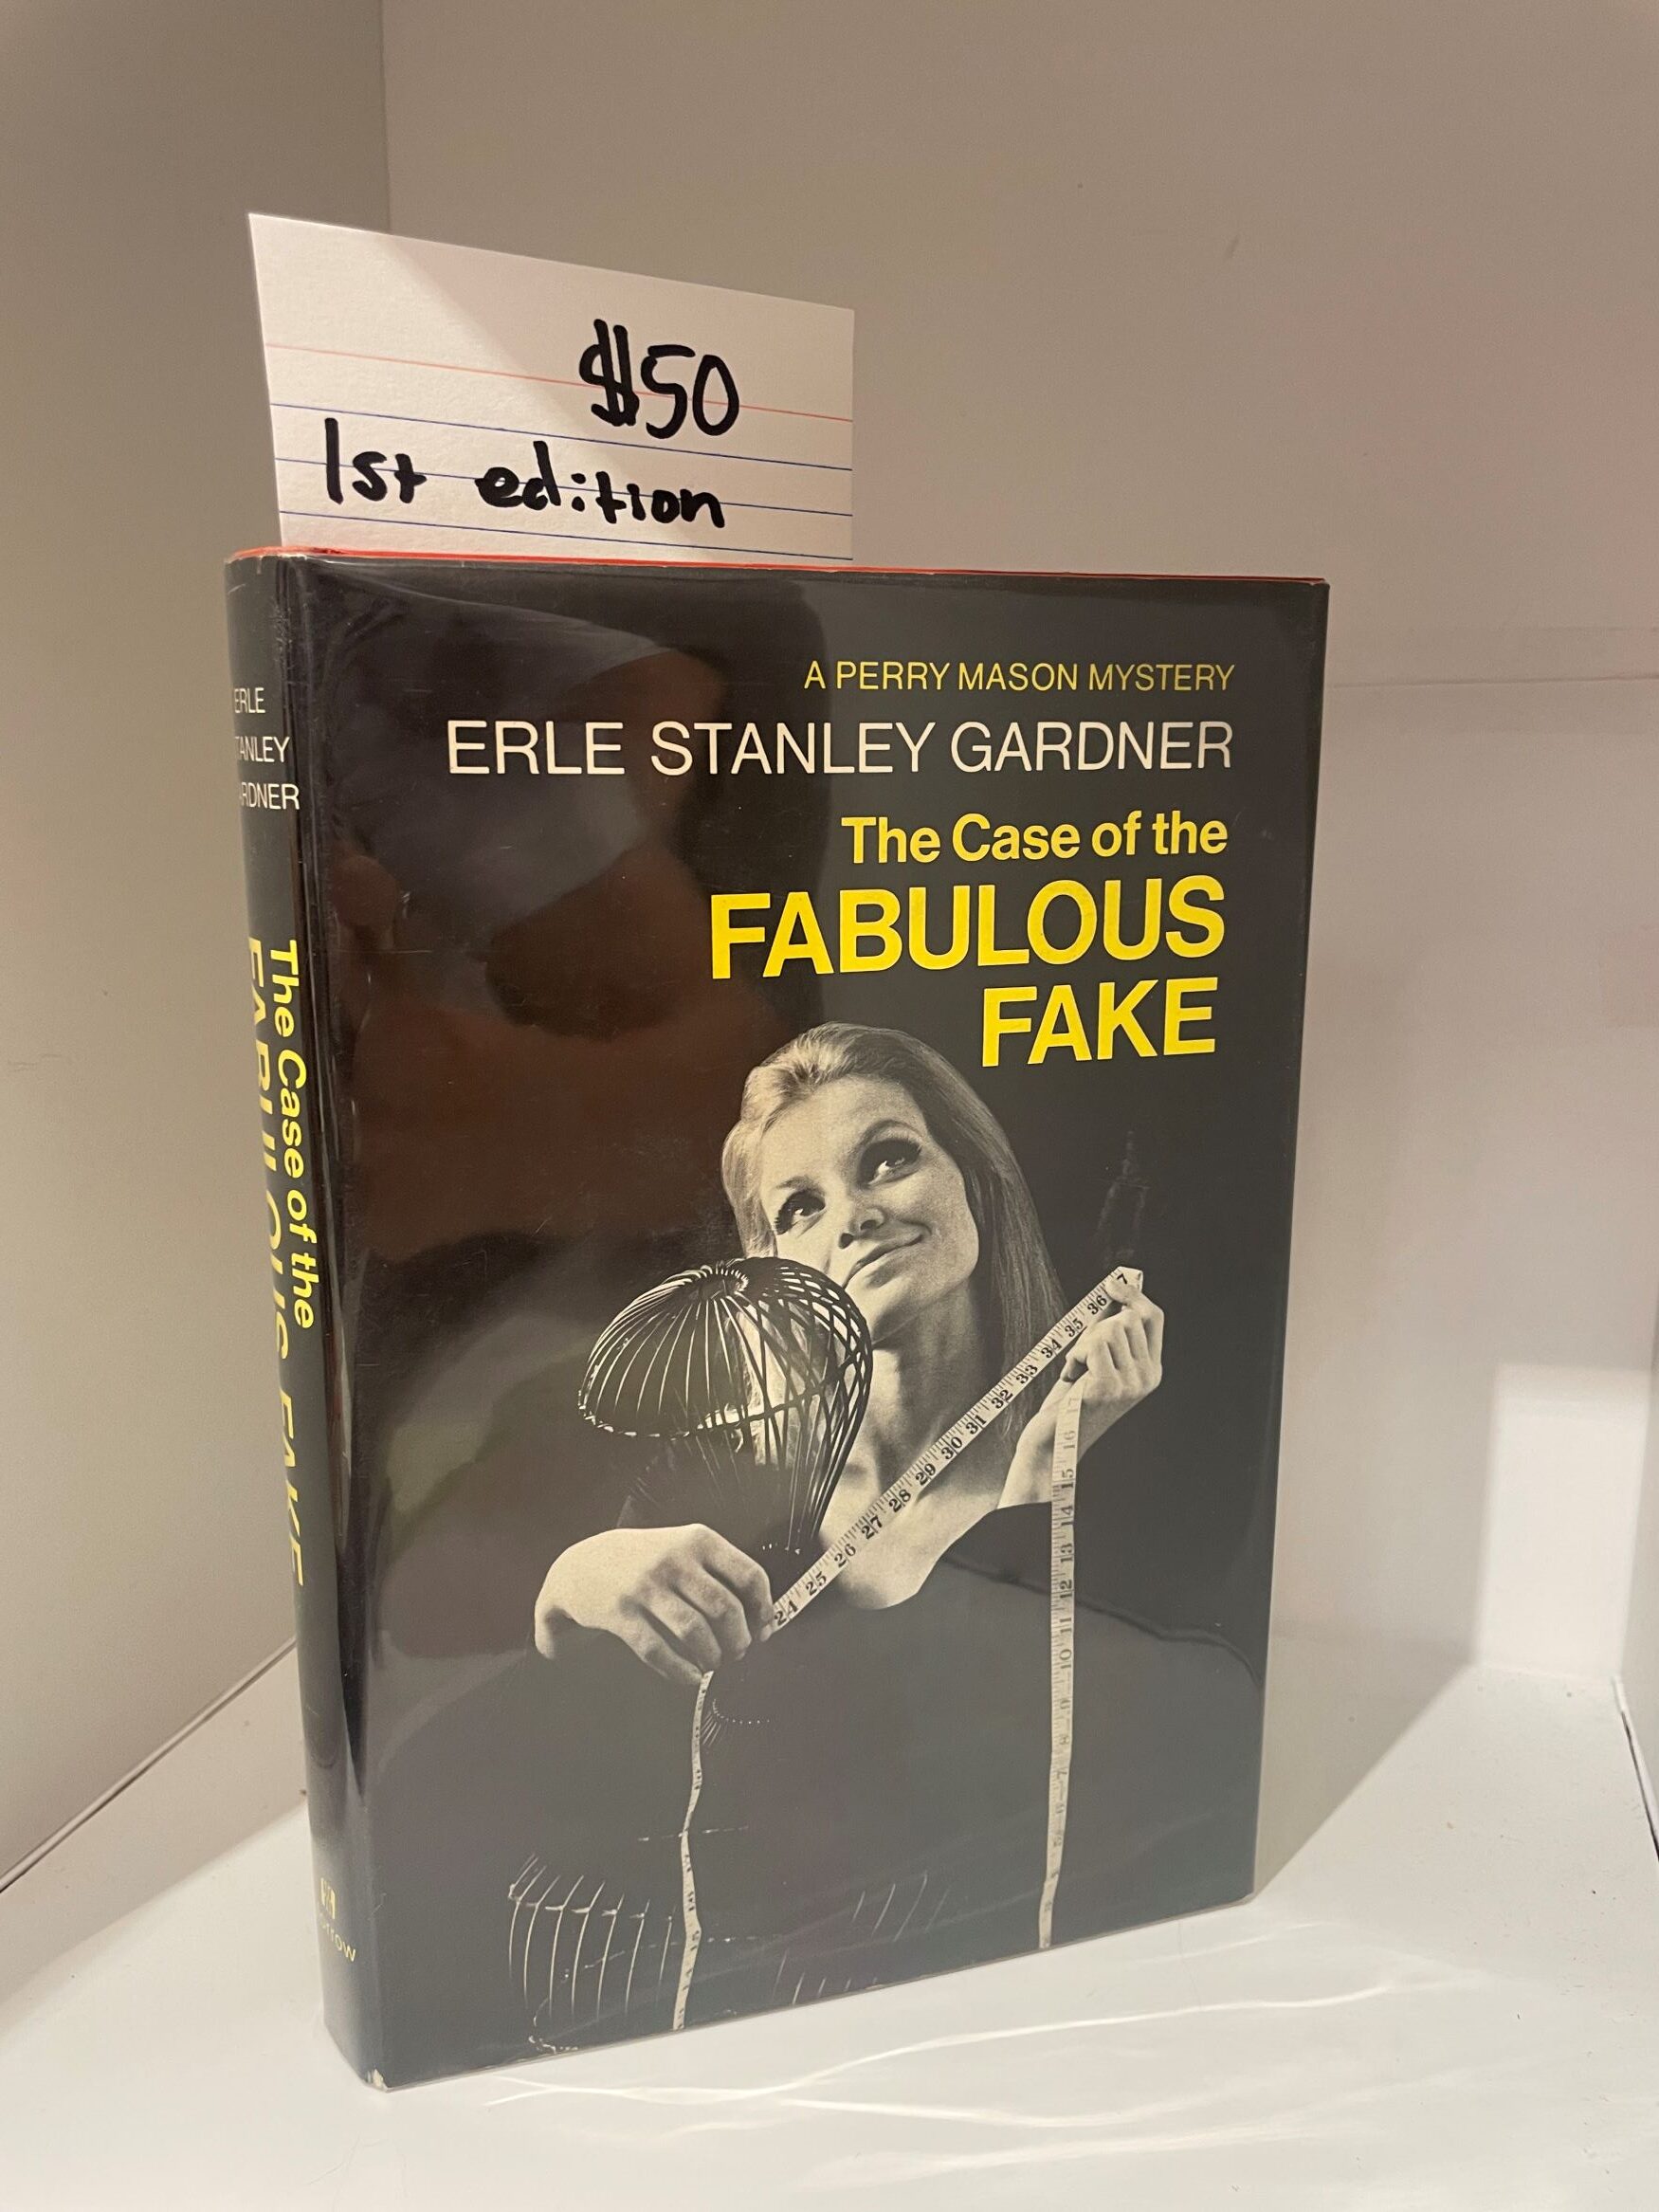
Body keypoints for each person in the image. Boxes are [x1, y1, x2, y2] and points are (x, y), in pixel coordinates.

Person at [526, 1022, 1164, 2033]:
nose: (855, 1216)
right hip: (718, 2017)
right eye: (801, 1206)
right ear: (775, 1265)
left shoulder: (1118, 1459)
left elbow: (1047, 1812)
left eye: (889, 1158)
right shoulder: (712, 1478)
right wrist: (577, 1575)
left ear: (975, 1180)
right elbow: (566, 1737)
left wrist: (1033, 1499)